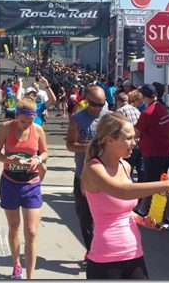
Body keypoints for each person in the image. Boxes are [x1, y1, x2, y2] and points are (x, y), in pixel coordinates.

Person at [82, 112, 169, 279]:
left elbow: (122, 211)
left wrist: (141, 219)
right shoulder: (94, 168)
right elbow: (122, 191)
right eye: (129, 138)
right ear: (109, 140)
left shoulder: (125, 166)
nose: (134, 143)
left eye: (135, 138)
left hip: (133, 253)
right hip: (105, 257)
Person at [0, 97, 49, 279]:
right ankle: (16, 264)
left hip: (31, 183)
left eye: (30, 121)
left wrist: (38, 159)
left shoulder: (38, 130)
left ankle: (30, 276)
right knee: (14, 226)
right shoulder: (6, 128)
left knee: (31, 232)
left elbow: (45, 152)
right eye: (23, 121)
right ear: (16, 116)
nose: (26, 125)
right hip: (10, 182)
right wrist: (10, 160)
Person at [65, 85, 109, 264]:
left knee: (105, 217)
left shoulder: (109, 118)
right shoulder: (78, 119)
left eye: (102, 104)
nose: (98, 108)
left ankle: (101, 251)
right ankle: (92, 251)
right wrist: (91, 147)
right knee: (85, 218)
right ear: (86, 100)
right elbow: (70, 145)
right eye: (94, 104)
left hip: (106, 175)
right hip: (83, 176)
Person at [133, 84, 169, 229]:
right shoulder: (162, 108)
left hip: (154, 154)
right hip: (164, 152)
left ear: (144, 97)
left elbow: (136, 132)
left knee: (159, 185)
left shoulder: (148, 112)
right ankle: (143, 211)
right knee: (151, 183)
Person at [115, 92, 142, 181]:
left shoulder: (120, 111)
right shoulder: (136, 110)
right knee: (140, 170)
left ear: (119, 101)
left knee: (127, 170)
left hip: (128, 144)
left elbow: (117, 129)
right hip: (139, 143)